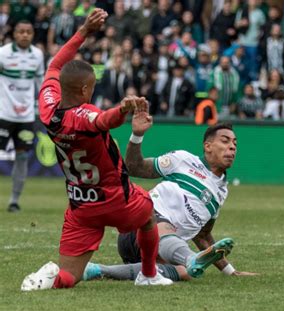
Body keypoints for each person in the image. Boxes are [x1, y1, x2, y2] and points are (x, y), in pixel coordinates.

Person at [20, 9, 172, 292]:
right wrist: (124, 109)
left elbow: (54, 66)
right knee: (149, 214)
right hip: (115, 199)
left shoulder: (48, 108)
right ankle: (149, 274)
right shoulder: (84, 114)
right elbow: (103, 120)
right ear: (86, 89)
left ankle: (49, 277)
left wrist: (84, 31)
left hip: (81, 205)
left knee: (69, 277)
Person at [98, 115, 257, 279]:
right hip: (138, 227)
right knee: (163, 228)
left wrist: (230, 271)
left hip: (160, 250)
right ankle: (190, 258)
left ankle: (98, 270)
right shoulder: (183, 160)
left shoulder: (221, 192)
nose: (232, 147)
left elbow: (202, 235)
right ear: (208, 146)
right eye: (225, 141)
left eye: (235, 144)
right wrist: (137, 135)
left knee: (184, 273)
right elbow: (134, 168)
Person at [0, 20, 44, 213]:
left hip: (26, 118)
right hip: (3, 114)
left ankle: (14, 201)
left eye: (28, 32)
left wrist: (43, 106)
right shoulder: (3, 53)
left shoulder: (38, 55)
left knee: (22, 157)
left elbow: (40, 84)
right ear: (15, 34)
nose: (25, 35)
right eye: (21, 32)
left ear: (32, 35)